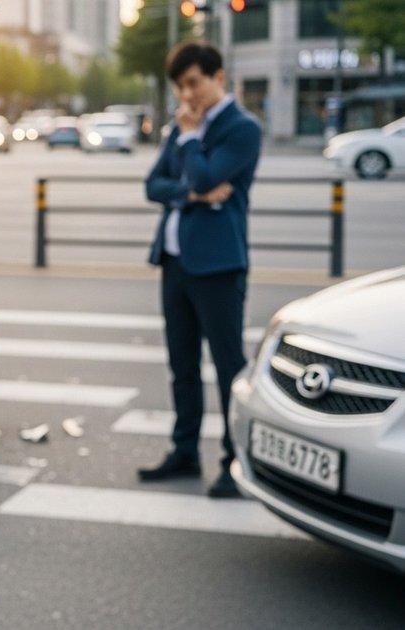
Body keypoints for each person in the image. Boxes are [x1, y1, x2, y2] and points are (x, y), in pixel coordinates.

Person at [139, 41, 262, 499]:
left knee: (229, 367)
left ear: (218, 78)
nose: (187, 95)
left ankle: (234, 461)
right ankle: (185, 450)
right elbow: (154, 184)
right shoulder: (181, 126)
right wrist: (193, 194)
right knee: (182, 365)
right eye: (180, 86)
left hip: (218, 265)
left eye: (193, 83)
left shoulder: (241, 128)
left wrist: (191, 142)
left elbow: (207, 175)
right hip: (174, 262)